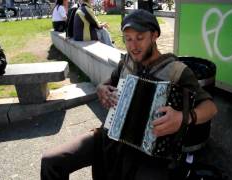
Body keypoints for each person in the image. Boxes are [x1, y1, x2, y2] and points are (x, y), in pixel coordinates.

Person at [41, 9, 218, 180]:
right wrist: (101, 88)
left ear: (154, 35)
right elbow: (108, 81)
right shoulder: (126, 62)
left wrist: (182, 117)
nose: (133, 46)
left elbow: (210, 107)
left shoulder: (177, 71)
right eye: (128, 39)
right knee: (51, 161)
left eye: (139, 38)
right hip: (112, 136)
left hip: (152, 151)